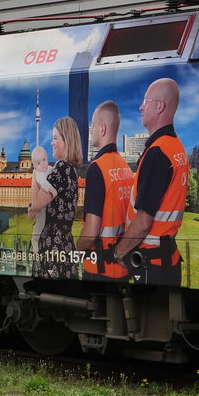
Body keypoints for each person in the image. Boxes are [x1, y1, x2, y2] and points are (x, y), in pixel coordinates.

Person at [114, 78, 188, 285]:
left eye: (146, 101)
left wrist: (118, 253)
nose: (140, 106)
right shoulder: (176, 148)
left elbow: (143, 223)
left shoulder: (158, 152)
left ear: (160, 106)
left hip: (150, 264)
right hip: (167, 259)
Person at [77, 101, 134, 281]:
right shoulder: (125, 167)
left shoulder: (97, 168)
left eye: (93, 126)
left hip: (100, 268)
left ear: (102, 129)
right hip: (122, 265)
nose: (91, 130)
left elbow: (91, 232)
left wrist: (75, 249)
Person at [31, 116, 82, 279]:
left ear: (66, 140)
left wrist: (35, 175)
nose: (51, 143)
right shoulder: (72, 170)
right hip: (64, 246)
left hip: (52, 248)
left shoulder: (61, 168)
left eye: (55, 138)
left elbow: (36, 204)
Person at [27, 145, 54, 255]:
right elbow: (43, 183)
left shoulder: (49, 168)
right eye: (38, 163)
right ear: (34, 166)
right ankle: (35, 240)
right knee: (41, 221)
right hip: (41, 207)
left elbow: (54, 171)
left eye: (44, 160)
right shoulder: (38, 173)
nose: (43, 164)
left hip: (45, 204)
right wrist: (52, 189)